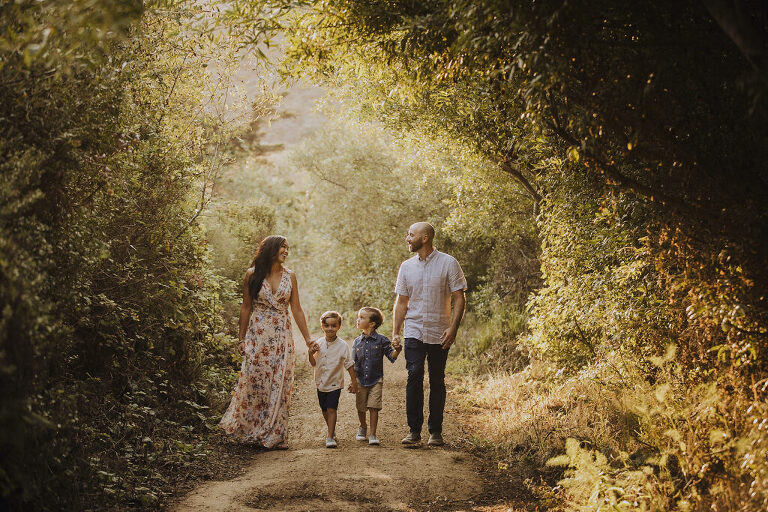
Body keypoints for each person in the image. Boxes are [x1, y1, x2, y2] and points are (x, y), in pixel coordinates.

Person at [219, 235, 316, 449]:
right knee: (255, 380)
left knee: (280, 383)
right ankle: (252, 429)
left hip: (281, 334)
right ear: (271, 249)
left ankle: (276, 435)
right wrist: (241, 338)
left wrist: (308, 339)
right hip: (258, 335)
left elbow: (296, 309)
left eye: (288, 248)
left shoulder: (290, 276)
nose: (286, 252)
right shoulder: (252, 274)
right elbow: (246, 307)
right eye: (283, 247)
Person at [393, 222, 467, 447]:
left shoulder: (449, 263)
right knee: (414, 375)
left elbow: (459, 298)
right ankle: (414, 430)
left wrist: (453, 328)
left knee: (437, 379)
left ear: (425, 238)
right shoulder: (406, 267)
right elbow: (401, 302)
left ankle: (435, 431)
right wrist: (396, 332)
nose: (407, 238)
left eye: (411, 235)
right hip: (413, 329)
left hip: (439, 330)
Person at [307, 311, 358, 448]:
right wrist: (310, 353)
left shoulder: (342, 345)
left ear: (339, 327)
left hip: (335, 383)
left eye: (333, 326)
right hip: (320, 383)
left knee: (331, 409)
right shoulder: (318, 343)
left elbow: (349, 364)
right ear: (322, 326)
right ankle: (332, 429)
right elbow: (313, 363)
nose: (330, 328)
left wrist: (354, 381)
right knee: (324, 410)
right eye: (327, 325)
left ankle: (330, 436)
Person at [352, 307, 401, 446]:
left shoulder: (381, 340)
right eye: (359, 317)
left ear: (372, 323)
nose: (358, 319)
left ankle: (373, 434)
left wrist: (397, 350)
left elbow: (391, 356)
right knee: (361, 407)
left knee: (374, 407)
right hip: (361, 380)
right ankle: (363, 426)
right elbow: (353, 363)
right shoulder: (356, 342)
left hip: (376, 379)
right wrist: (353, 381)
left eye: (362, 317)